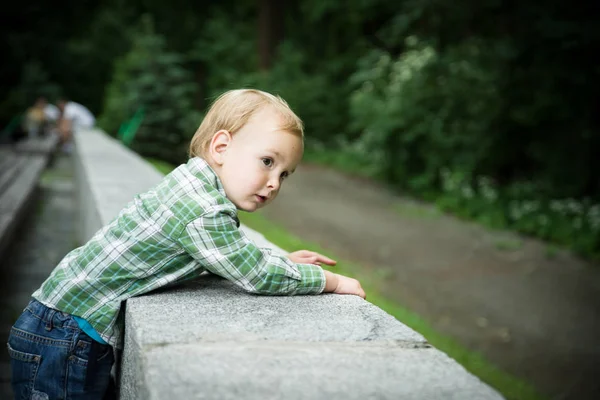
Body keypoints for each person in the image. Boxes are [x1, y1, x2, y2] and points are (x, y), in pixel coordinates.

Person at [7, 88, 366, 399]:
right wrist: (330, 282)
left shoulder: (192, 183)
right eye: (267, 162)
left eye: (284, 174)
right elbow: (254, 275)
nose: (274, 183)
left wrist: (282, 258)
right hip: (65, 336)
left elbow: (226, 255)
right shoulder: (203, 210)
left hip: (61, 325)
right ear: (222, 146)